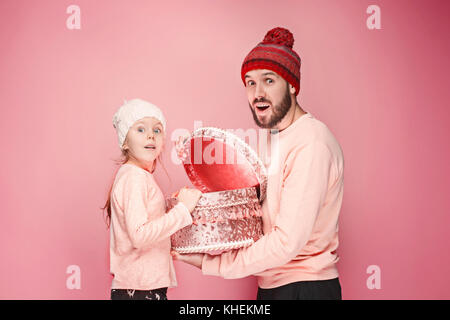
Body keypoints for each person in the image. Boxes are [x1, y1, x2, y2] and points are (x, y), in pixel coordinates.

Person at [173, 27, 344, 300]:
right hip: (272, 285)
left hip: (305, 288)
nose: (258, 93)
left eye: (269, 80)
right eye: (250, 83)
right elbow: (254, 208)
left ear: (292, 84)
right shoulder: (271, 138)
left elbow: (286, 243)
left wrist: (211, 263)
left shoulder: (311, 142)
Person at [104, 98, 202, 300]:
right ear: (124, 141)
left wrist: (170, 206)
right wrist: (182, 210)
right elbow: (140, 236)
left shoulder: (138, 176)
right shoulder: (134, 177)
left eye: (157, 130)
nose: (150, 135)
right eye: (140, 129)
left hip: (142, 288)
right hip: (139, 291)